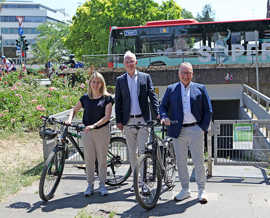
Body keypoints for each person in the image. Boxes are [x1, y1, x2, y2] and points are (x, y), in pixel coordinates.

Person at [160, 62, 212, 203]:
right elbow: (163, 106)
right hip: (178, 130)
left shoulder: (200, 88)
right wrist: (164, 117)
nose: (186, 76)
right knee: (181, 162)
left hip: (196, 129)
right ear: (179, 74)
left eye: (188, 73)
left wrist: (202, 128)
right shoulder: (171, 89)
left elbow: (208, 110)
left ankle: (201, 190)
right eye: (183, 72)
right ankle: (185, 190)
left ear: (192, 74)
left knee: (198, 161)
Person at [115, 51, 159, 191]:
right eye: (127, 61)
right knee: (132, 154)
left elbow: (152, 97)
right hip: (128, 121)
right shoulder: (120, 80)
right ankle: (136, 181)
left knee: (143, 151)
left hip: (143, 120)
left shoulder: (145, 77)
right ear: (124, 64)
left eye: (132, 61)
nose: (129, 63)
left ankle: (143, 182)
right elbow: (118, 101)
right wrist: (119, 120)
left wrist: (157, 114)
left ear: (136, 62)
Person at [66, 72, 114, 197]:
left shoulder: (107, 98)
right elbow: (74, 109)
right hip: (87, 132)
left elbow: (107, 117)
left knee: (102, 159)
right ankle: (90, 184)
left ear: (102, 84)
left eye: (98, 82)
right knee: (89, 159)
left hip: (101, 131)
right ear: (90, 83)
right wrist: (70, 119)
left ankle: (102, 185)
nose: (95, 84)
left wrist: (94, 125)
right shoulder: (85, 98)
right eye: (93, 81)